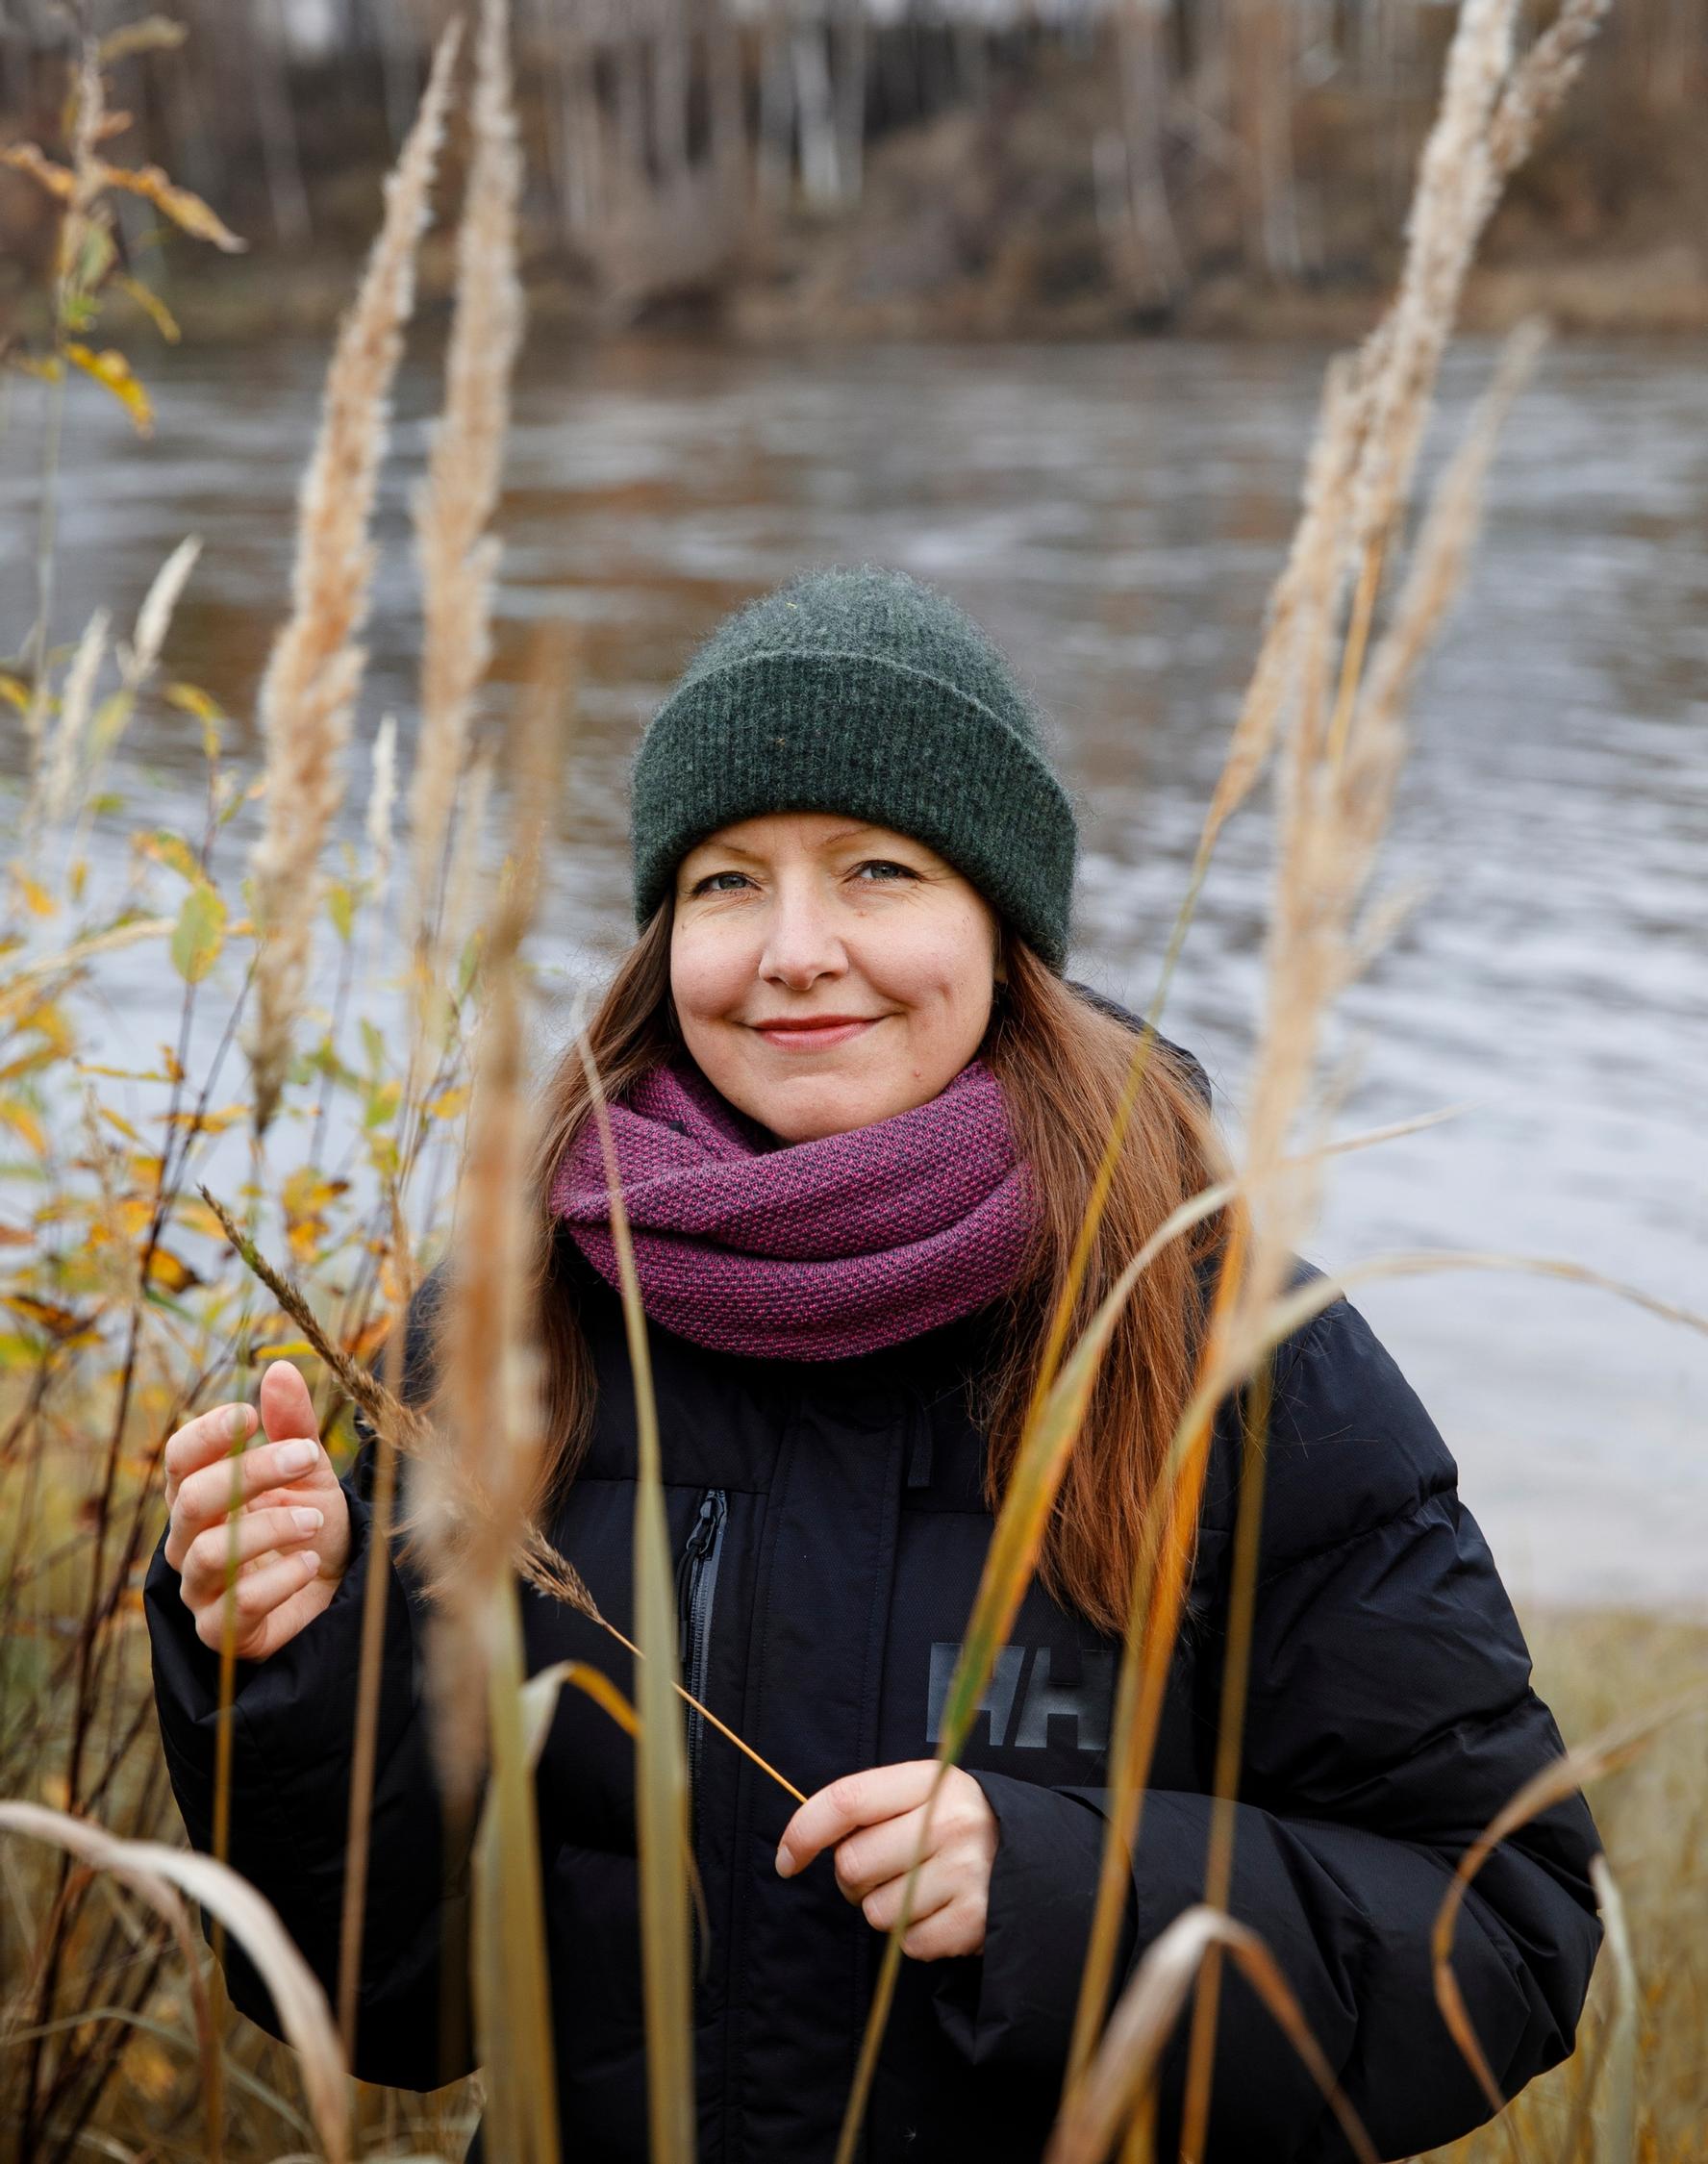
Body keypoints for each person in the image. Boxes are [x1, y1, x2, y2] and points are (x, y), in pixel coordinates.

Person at [146, 564, 1601, 2162]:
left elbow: (1510, 1936)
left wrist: (1067, 1897)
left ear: (1001, 924)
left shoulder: (1226, 1344)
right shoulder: (512, 1323)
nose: (794, 950)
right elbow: (391, 2006)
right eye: (723, 882)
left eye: (876, 870)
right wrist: (285, 1663)